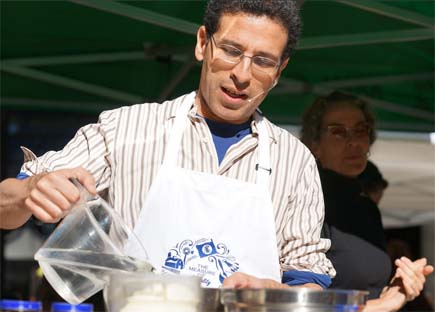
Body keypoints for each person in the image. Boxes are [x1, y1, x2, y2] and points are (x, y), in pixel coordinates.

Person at [0, 0, 335, 290]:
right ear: (203, 43)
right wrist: (31, 189)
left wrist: (273, 291)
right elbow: (6, 207)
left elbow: (308, 279)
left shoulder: (295, 160)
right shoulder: (125, 129)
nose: (243, 74)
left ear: (281, 70)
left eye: (263, 61)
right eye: (231, 51)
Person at [300, 91, 433, 311]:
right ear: (315, 145)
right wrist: (385, 303)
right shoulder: (307, 201)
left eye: (360, 130)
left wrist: (400, 286)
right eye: (338, 132)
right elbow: (303, 302)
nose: (354, 142)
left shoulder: (366, 208)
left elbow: (366, 288)